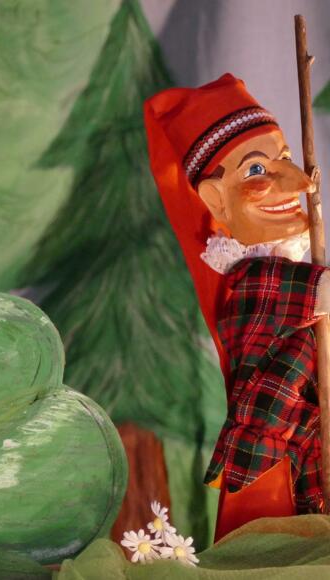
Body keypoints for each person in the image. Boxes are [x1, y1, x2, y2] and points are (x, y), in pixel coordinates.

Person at [144, 73, 330, 539]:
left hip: (306, 457)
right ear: (215, 201)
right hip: (273, 467)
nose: (299, 183)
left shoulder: (290, 268)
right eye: (257, 170)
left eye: (285, 159)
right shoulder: (252, 281)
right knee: (274, 546)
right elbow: (296, 298)